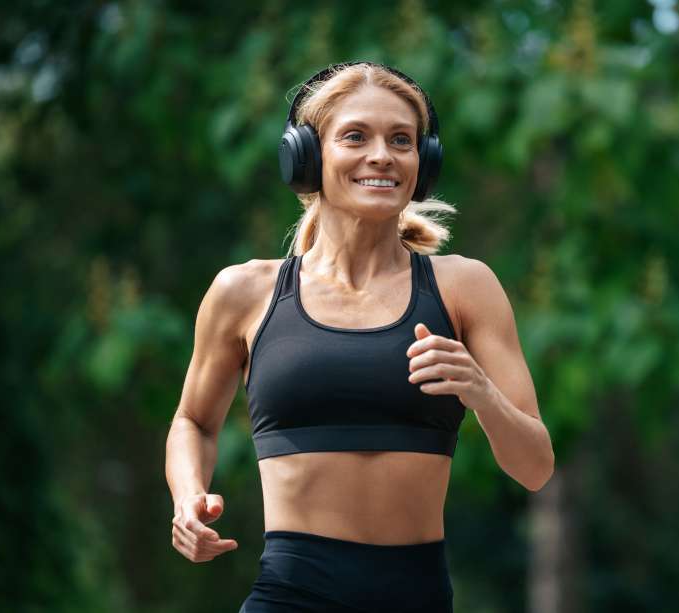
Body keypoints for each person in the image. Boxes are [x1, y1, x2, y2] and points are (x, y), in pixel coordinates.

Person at [165, 61, 554, 612]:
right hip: (288, 599)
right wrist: (188, 498)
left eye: (401, 140)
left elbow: (535, 468)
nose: (382, 156)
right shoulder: (244, 292)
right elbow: (194, 422)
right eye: (355, 136)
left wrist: (481, 392)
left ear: (424, 163)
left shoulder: (465, 287)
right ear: (307, 157)